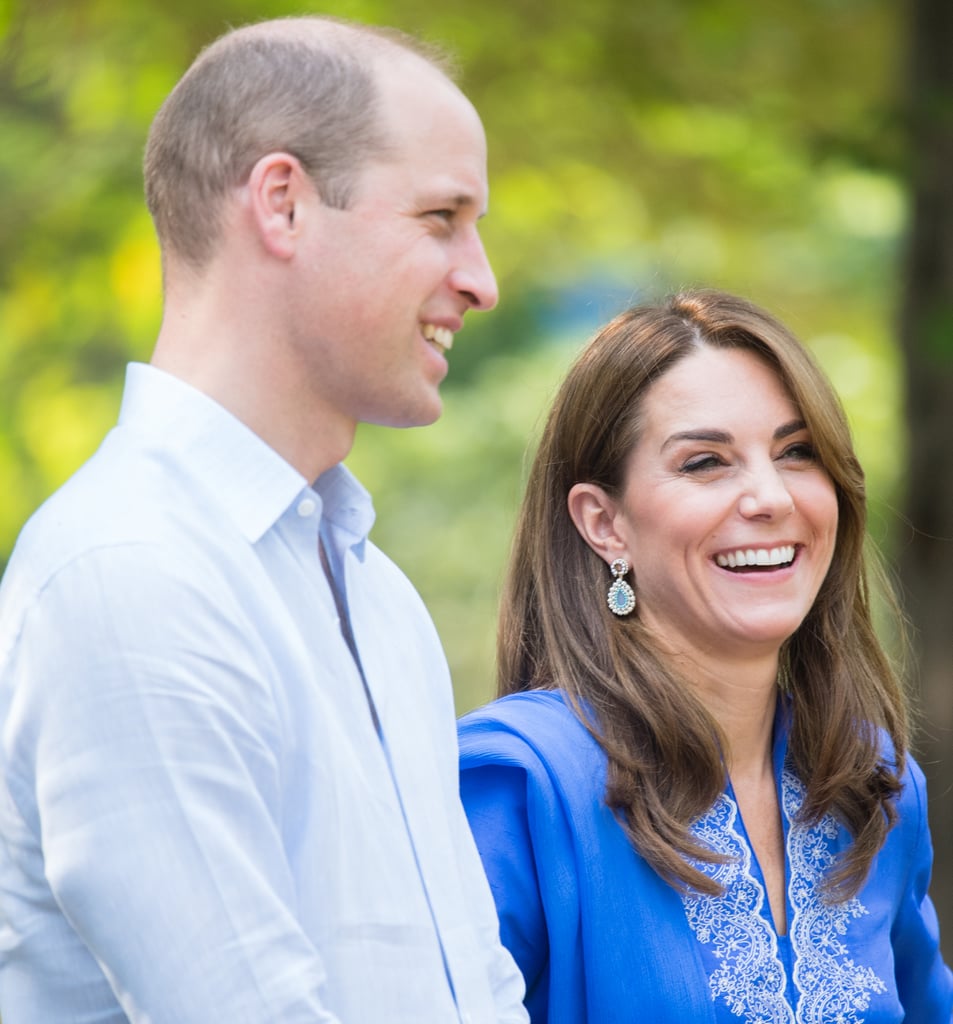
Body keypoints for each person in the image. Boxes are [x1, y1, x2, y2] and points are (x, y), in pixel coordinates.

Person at [0, 15, 528, 1023]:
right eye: (438, 217)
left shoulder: (377, 594)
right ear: (282, 203)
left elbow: (478, 986)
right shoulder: (129, 575)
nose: (481, 279)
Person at [458, 288, 953, 1022]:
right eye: (704, 462)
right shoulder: (516, 785)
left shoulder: (874, 786)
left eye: (796, 452)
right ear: (605, 524)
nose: (768, 496)